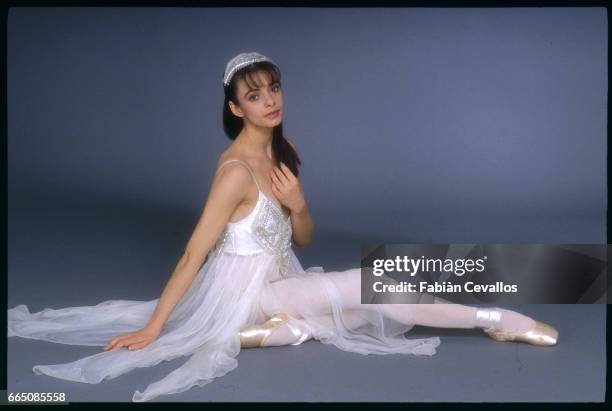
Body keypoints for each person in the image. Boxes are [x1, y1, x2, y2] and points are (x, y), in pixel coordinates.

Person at [7, 51, 558, 402]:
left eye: (273, 88)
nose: (269, 100)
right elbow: (192, 255)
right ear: (235, 107)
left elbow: (304, 238)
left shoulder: (286, 150)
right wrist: (154, 328)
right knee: (372, 285)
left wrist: (297, 202)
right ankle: (494, 313)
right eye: (254, 95)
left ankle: (281, 330)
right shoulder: (234, 172)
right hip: (245, 291)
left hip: (278, 282)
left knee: (358, 300)